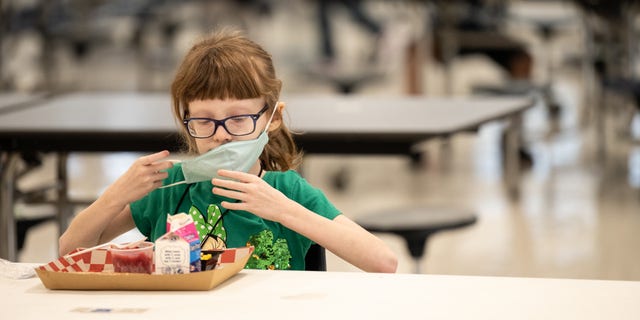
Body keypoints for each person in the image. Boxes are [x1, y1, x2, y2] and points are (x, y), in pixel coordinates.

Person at [58, 28, 398, 273]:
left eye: (238, 119)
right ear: (185, 121)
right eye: (204, 121)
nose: (221, 136)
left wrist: (283, 211)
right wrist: (115, 195)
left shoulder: (287, 191)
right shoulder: (169, 187)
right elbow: (69, 250)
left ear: (272, 118)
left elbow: (383, 261)